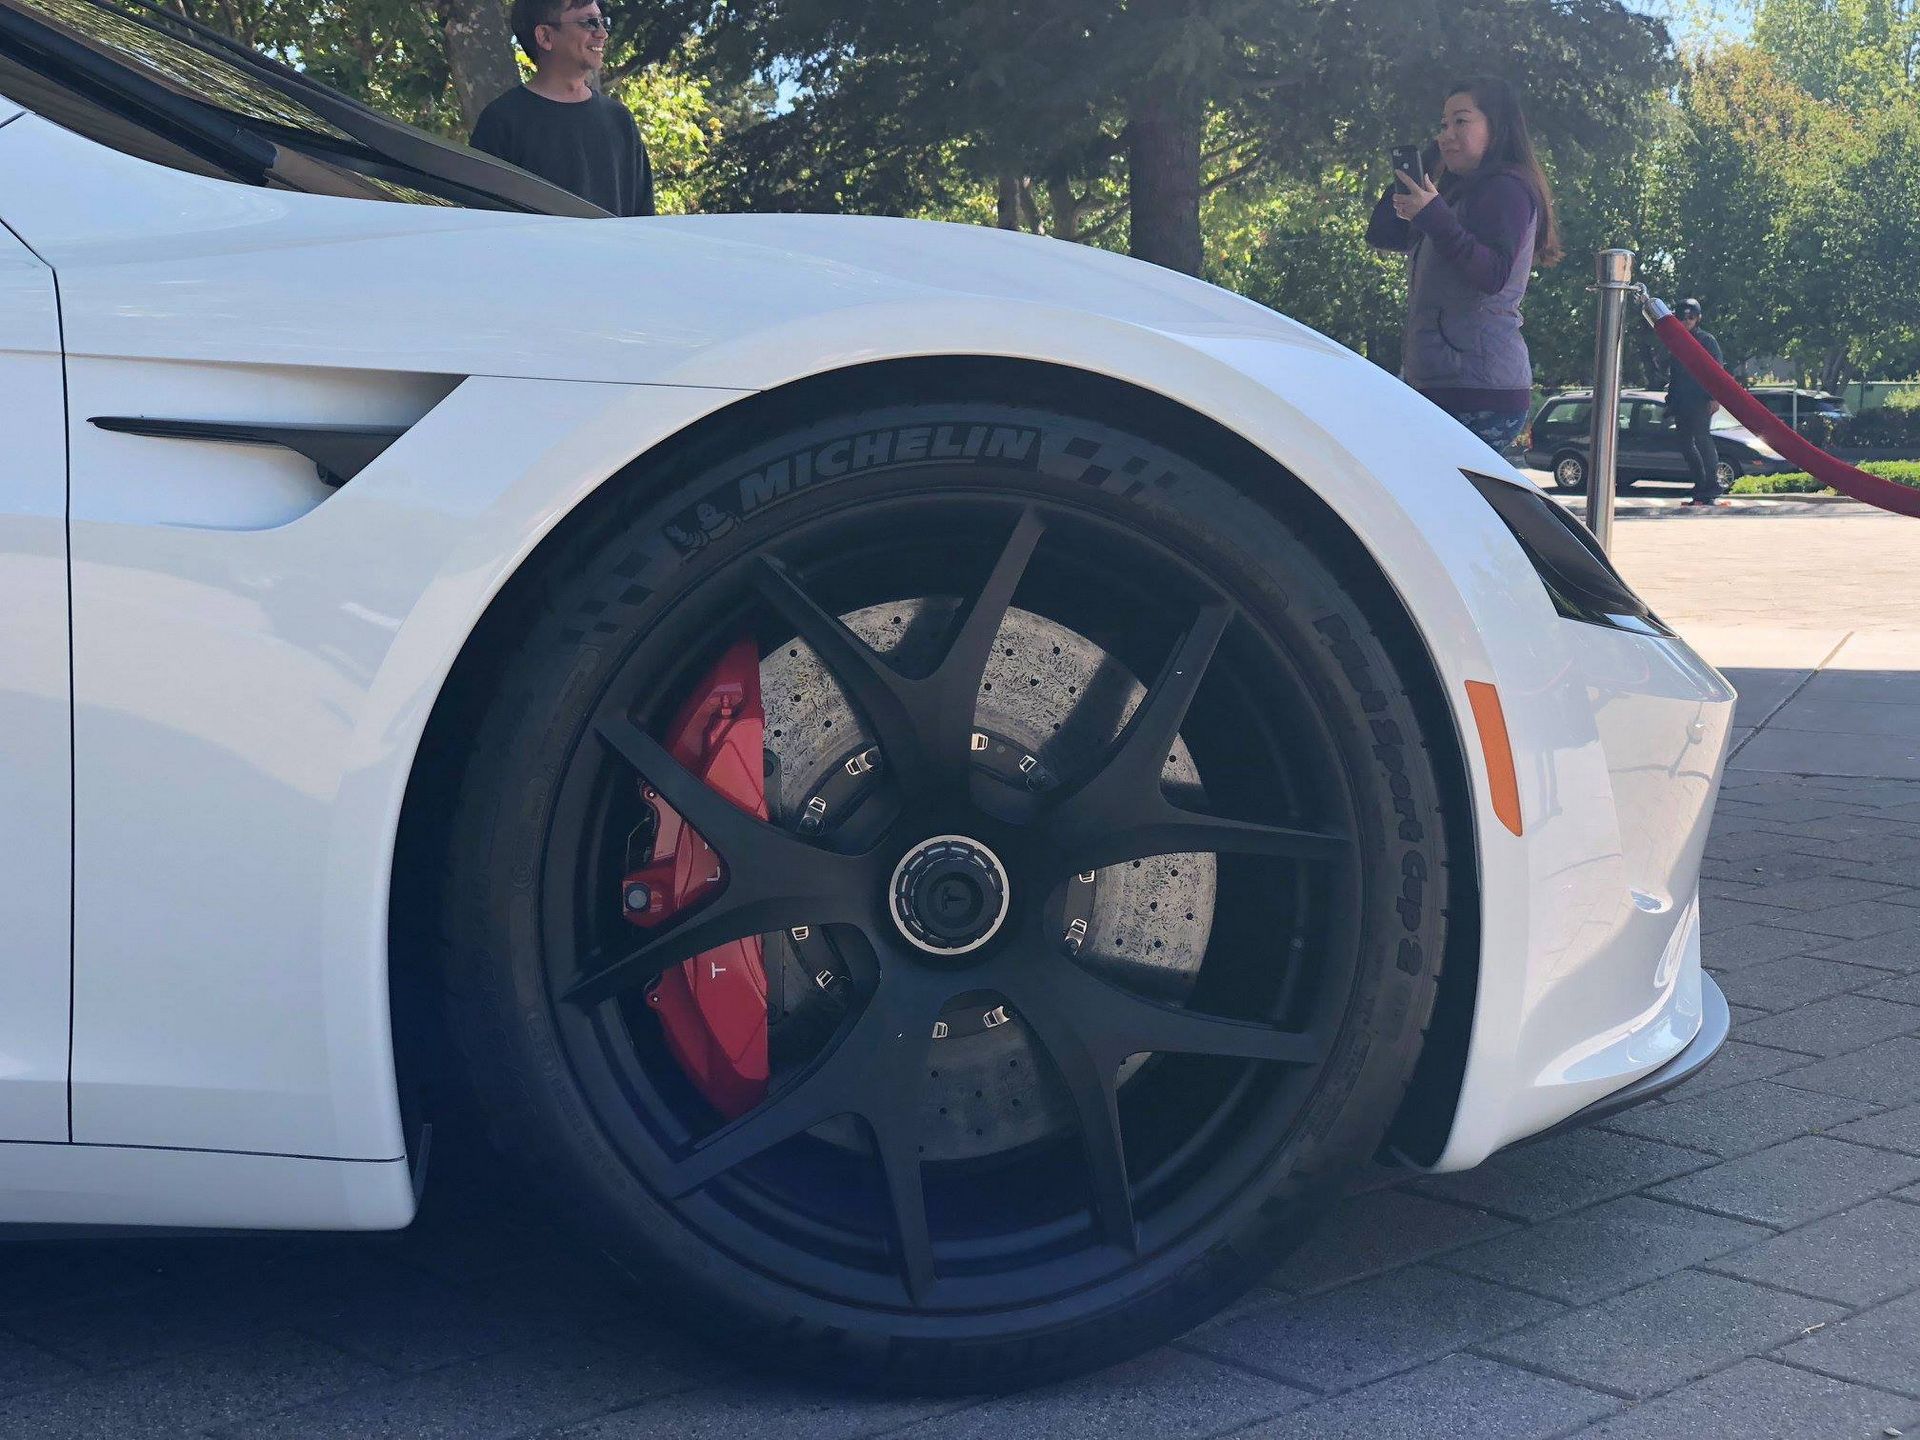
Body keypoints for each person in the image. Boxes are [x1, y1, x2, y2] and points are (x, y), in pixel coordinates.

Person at [1366, 76, 1562, 454]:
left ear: (1497, 126)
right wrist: (1423, 164)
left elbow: (1492, 274)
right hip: (1442, 384)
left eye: (1461, 121)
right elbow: (1382, 234)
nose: (1447, 134)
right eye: (1443, 125)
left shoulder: (1507, 188)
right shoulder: (1455, 194)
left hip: (1480, 392)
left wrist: (1435, 216)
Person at [470, 0, 655, 218]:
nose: (602, 34)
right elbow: (483, 223)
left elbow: (643, 220)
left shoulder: (619, 120)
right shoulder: (501, 121)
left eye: (603, 22)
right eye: (589, 22)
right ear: (545, 37)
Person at [1666, 299, 1728, 507]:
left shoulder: (1707, 341)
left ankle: (1711, 484)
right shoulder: (1676, 341)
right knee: (1685, 444)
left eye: (1690, 318)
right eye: (1682, 318)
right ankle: (1700, 482)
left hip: (1701, 398)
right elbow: (1674, 373)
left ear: (1698, 318)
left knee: (1702, 439)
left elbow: (1717, 371)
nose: (1686, 322)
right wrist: (1670, 400)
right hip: (1682, 399)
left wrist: (1714, 397)